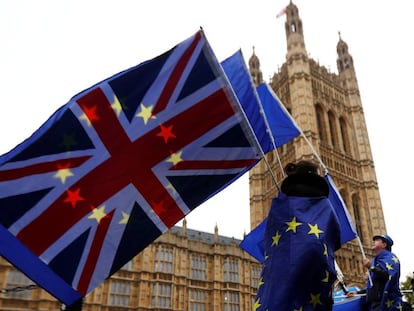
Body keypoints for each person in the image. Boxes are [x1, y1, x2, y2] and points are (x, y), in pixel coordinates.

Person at [253, 160, 341, 310]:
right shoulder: (324, 204)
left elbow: (269, 237)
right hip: (316, 267)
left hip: (280, 268)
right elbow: (336, 238)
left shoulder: (280, 204)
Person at [346, 234, 403, 311]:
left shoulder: (390, 258)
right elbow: (373, 287)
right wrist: (357, 293)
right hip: (374, 304)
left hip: (386, 303)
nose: (373, 242)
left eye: (377, 240)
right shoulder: (375, 261)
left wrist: (371, 268)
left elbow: (387, 276)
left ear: (384, 244)